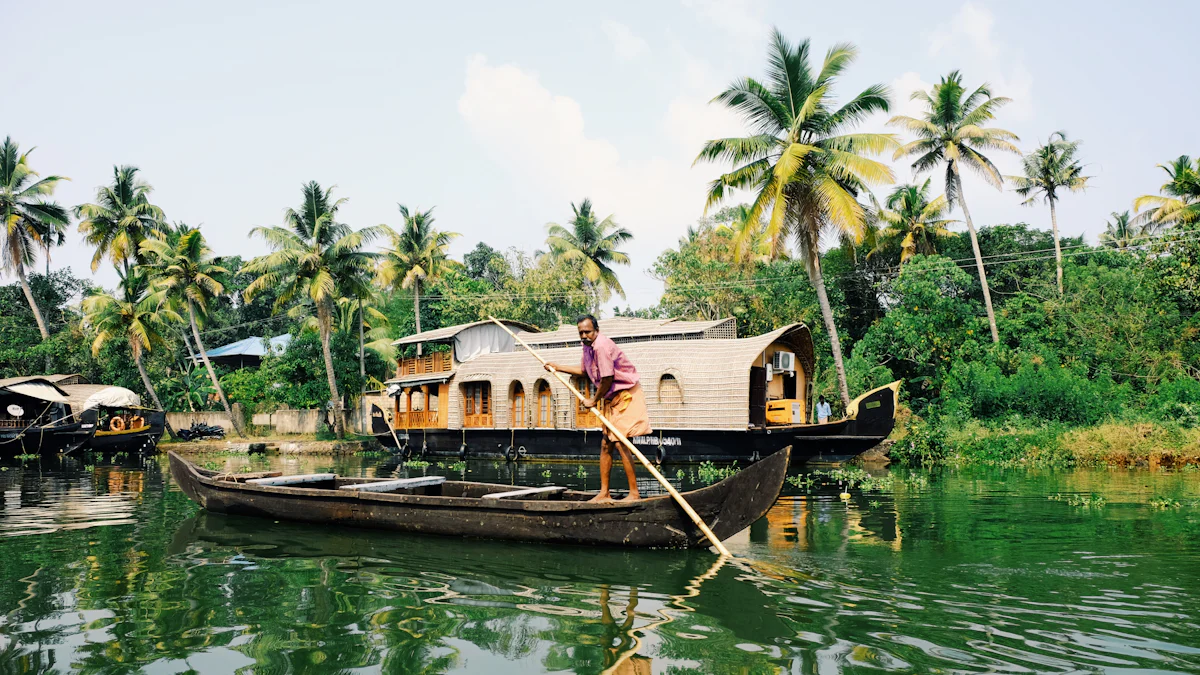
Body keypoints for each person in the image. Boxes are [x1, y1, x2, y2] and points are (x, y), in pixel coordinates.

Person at [547, 314, 651, 502]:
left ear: (596, 330)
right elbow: (585, 372)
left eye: (587, 332)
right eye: (581, 333)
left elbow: (607, 378)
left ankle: (634, 494)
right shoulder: (587, 347)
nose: (584, 335)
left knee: (621, 441)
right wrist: (558, 367)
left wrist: (593, 400)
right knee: (606, 444)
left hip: (626, 395)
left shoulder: (602, 346)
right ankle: (604, 493)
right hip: (612, 398)